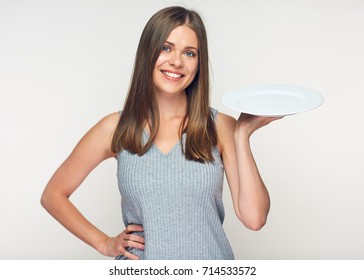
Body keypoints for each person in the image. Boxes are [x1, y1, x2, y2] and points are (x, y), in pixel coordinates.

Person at [41, 6, 281, 260]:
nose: (176, 62)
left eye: (189, 53)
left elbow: (254, 218)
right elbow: (53, 195)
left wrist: (242, 134)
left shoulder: (220, 127)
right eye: (166, 48)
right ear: (148, 52)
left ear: (199, 64)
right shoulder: (116, 127)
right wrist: (103, 242)